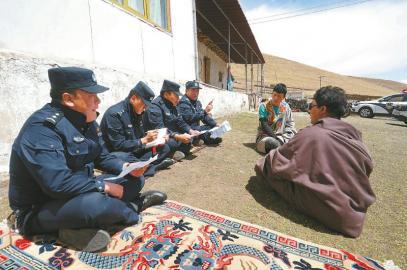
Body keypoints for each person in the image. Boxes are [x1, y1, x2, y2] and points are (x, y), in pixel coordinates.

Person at [8, 67, 167, 252]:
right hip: (40, 207)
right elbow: (57, 184)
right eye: (92, 95)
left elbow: (102, 156)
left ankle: (75, 229)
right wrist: (104, 187)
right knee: (97, 204)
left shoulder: (86, 120)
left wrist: (127, 166)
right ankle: (134, 206)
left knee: (136, 179)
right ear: (68, 99)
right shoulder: (41, 129)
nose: (98, 101)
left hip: (79, 190)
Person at [255, 86, 376, 237]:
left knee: (265, 167)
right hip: (356, 211)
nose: (308, 111)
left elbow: (276, 162)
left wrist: (280, 146)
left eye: (311, 106)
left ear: (323, 109)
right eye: (274, 95)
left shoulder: (308, 130)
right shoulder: (356, 138)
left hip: (334, 211)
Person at [100, 81, 174, 177]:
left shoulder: (139, 112)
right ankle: (151, 167)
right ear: (133, 98)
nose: (146, 108)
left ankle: (144, 168)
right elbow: (118, 145)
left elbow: (142, 135)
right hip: (119, 153)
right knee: (125, 157)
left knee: (165, 147)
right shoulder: (114, 114)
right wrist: (143, 140)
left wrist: (158, 138)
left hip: (135, 150)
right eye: (144, 104)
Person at [144, 79, 199, 160]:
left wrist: (190, 130)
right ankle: (169, 153)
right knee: (169, 144)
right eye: (176, 95)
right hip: (159, 136)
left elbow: (180, 121)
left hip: (171, 134)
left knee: (188, 139)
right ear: (166, 94)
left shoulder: (174, 104)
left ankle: (173, 151)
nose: (178, 98)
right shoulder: (155, 106)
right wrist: (177, 136)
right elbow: (159, 129)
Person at [177, 80, 222, 145]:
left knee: (213, 126)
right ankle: (202, 139)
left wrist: (215, 124)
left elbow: (204, 117)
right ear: (186, 91)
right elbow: (190, 118)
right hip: (188, 129)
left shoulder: (197, 102)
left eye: (197, 91)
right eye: (193, 90)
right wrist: (204, 111)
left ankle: (199, 139)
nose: (195, 93)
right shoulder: (183, 103)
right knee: (203, 131)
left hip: (197, 128)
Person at [256, 83, 296, 153]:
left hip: (282, 135)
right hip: (266, 136)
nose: (275, 98)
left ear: (283, 98)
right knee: (272, 143)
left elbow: (290, 123)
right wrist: (275, 137)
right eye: (274, 95)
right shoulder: (264, 106)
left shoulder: (286, 107)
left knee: (298, 139)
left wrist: (288, 133)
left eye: (279, 96)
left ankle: (283, 147)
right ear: (272, 94)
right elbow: (264, 125)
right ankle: (283, 148)